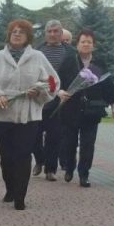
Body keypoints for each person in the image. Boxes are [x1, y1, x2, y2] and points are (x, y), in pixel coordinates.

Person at [0, 19, 58, 210]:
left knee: (23, 155)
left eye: (21, 31)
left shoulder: (38, 57)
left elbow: (52, 81)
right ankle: (10, 188)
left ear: (28, 36)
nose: (17, 34)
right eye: (14, 31)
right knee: (7, 156)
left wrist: (39, 90)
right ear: (9, 35)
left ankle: (20, 196)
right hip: (2, 116)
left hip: (28, 115)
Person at [57, 29, 114, 187]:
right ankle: (69, 168)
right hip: (71, 109)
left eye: (89, 42)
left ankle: (84, 173)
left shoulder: (99, 64)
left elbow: (109, 87)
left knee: (88, 144)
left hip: (92, 110)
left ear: (93, 45)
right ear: (77, 44)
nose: (86, 44)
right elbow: (58, 81)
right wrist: (60, 92)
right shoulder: (69, 61)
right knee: (69, 143)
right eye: (83, 41)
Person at [34, 20, 79, 181]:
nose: (52, 34)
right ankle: (39, 160)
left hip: (59, 102)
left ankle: (50, 169)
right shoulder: (36, 51)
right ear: (45, 33)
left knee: (54, 137)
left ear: (61, 33)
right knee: (34, 136)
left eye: (55, 31)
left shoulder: (70, 52)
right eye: (49, 31)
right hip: (39, 101)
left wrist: (67, 93)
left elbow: (74, 76)